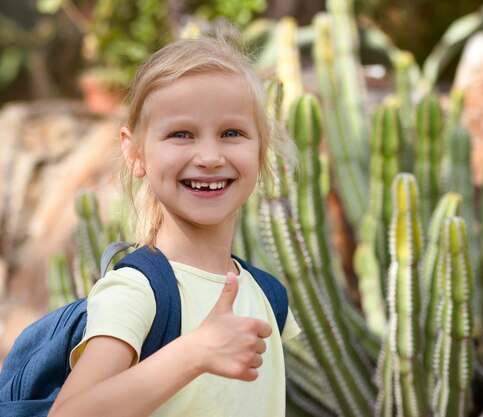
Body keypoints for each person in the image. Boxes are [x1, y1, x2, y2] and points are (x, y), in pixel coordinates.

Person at [48, 36, 301, 417]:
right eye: (181, 134)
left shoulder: (267, 295)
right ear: (135, 153)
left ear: (261, 149)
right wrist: (195, 352)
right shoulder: (137, 291)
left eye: (232, 133)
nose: (211, 157)